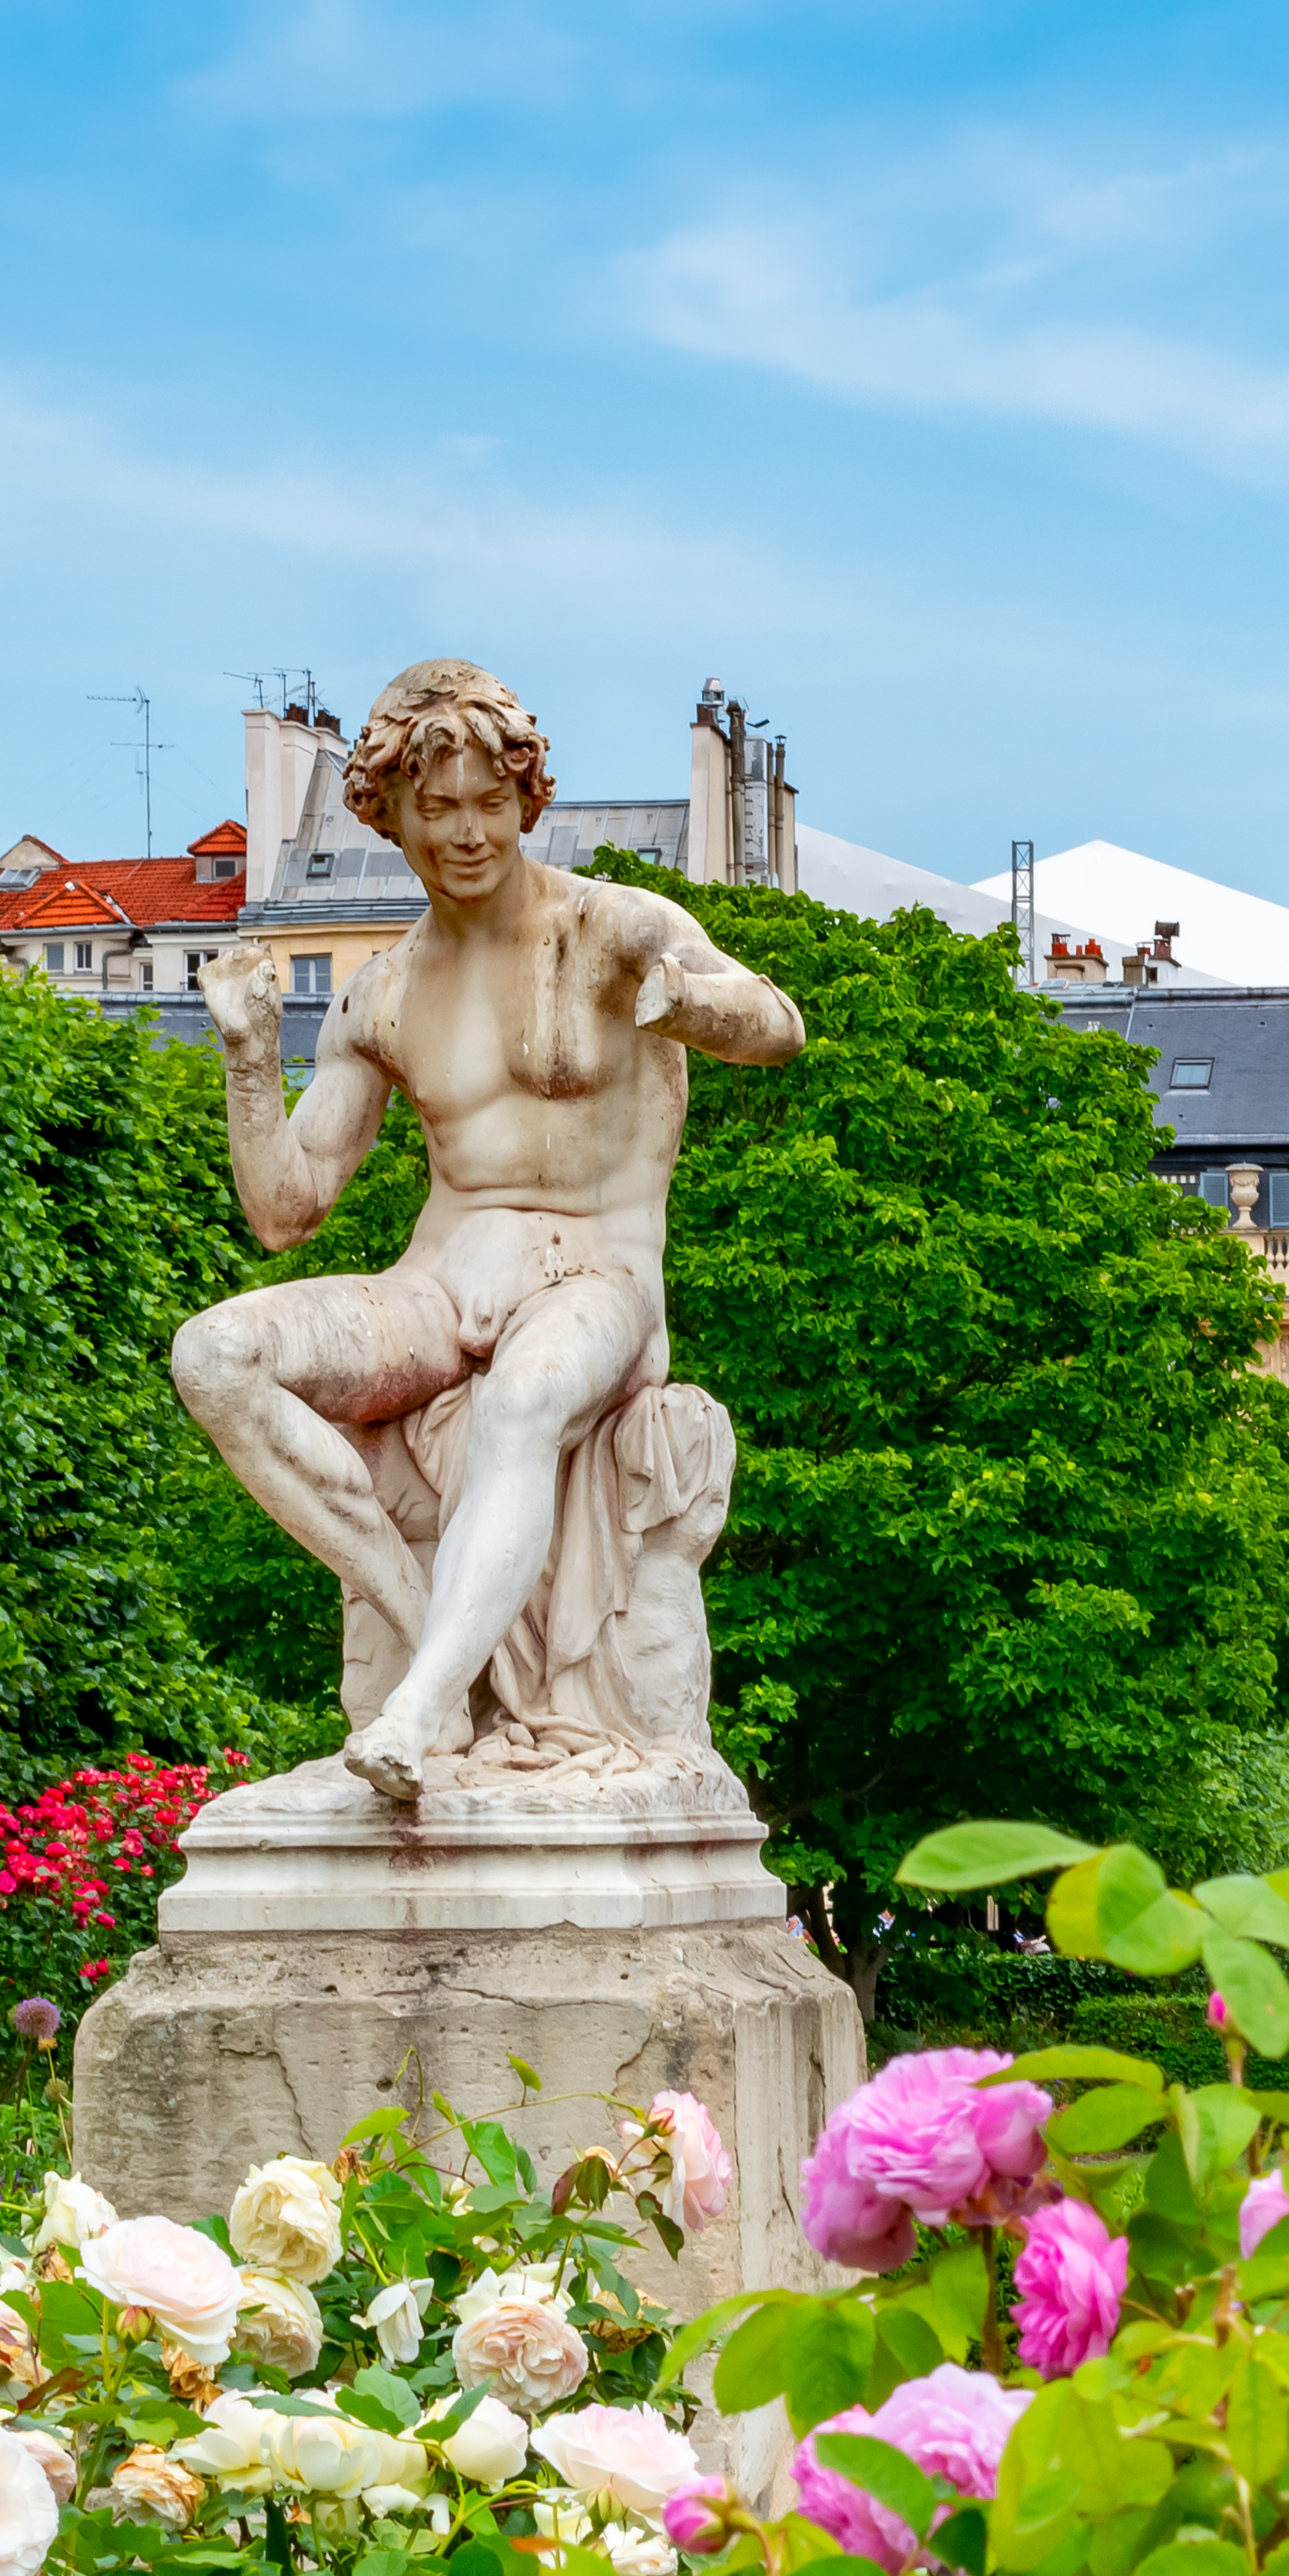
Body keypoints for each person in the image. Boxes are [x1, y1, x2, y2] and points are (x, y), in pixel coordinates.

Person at [169, 658, 804, 1800]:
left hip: (595, 1275)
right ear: (392, 814)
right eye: (439, 808)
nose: (467, 833)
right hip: (437, 1282)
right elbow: (285, 1210)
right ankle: (435, 1653)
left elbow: (779, 1024)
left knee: (521, 1398)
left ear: (526, 801)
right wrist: (248, 1056)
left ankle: (415, 1711)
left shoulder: (612, 927)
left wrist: (689, 1003)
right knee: (215, 1356)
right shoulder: (383, 991)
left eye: (489, 805)